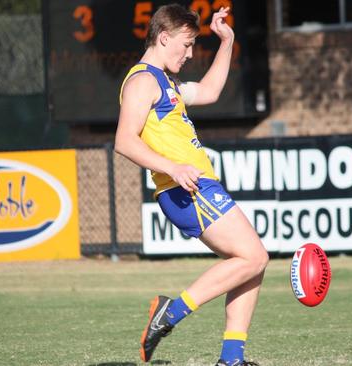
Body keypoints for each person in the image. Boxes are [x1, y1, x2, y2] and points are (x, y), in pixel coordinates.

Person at [114, 4, 268, 366]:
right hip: (184, 189)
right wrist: (172, 167)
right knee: (254, 256)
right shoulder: (143, 81)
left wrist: (226, 41)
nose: (189, 52)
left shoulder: (167, 83)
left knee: (251, 262)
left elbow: (212, 90)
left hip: (196, 187)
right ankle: (170, 313)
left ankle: (232, 359)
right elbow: (124, 140)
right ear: (163, 37)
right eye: (185, 44)